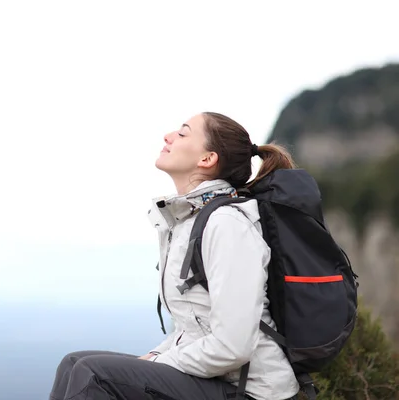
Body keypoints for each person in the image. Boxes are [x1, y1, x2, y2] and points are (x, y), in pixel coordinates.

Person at [49, 112, 301, 400]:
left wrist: (157, 364)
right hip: (217, 380)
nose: (168, 136)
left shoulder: (227, 224)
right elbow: (194, 327)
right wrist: (156, 354)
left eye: (183, 133)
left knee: (92, 374)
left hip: (251, 391)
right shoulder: (189, 220)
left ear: (207, 159)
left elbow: (234, 346)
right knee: (72, 364)